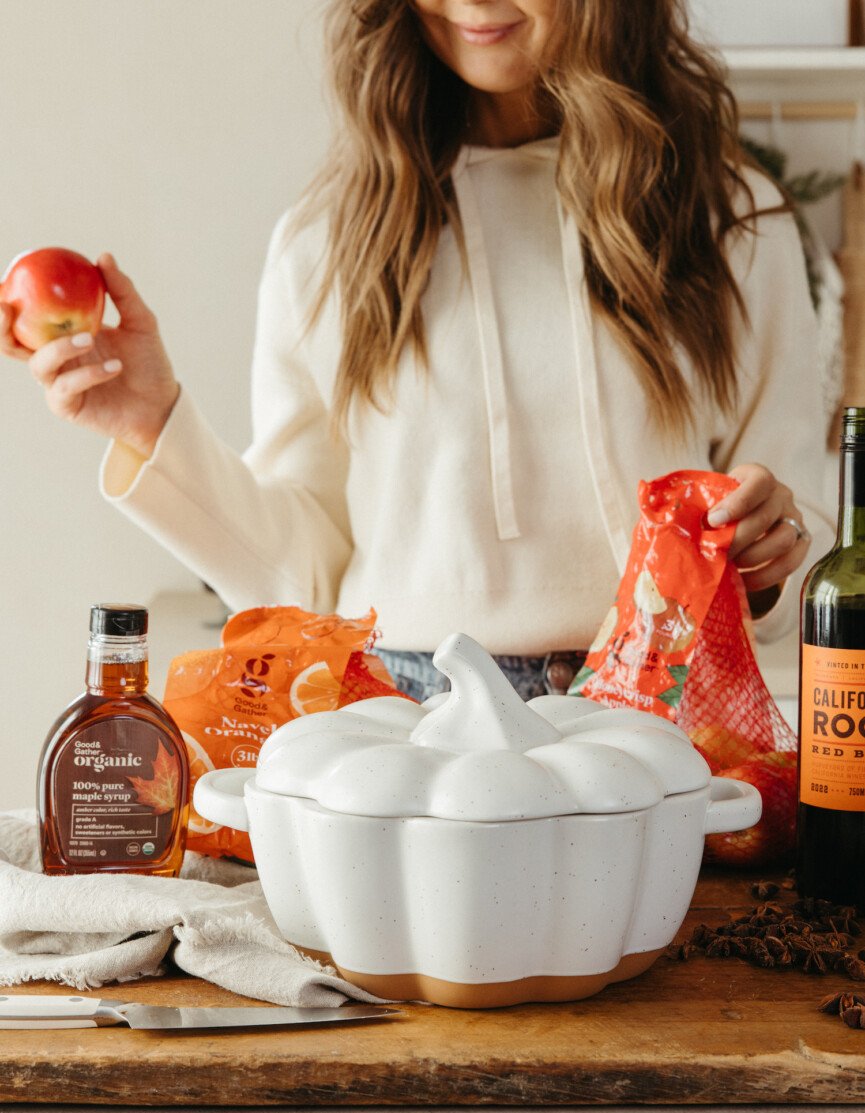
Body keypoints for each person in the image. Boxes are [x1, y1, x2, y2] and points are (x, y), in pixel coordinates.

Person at [1, 0, 832, 702]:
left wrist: (769, 553)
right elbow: (305, 581)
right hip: (399, 720)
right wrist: (153, 424)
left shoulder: (731, 217)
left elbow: (807, 536)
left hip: (659, 709)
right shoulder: (329, 242)